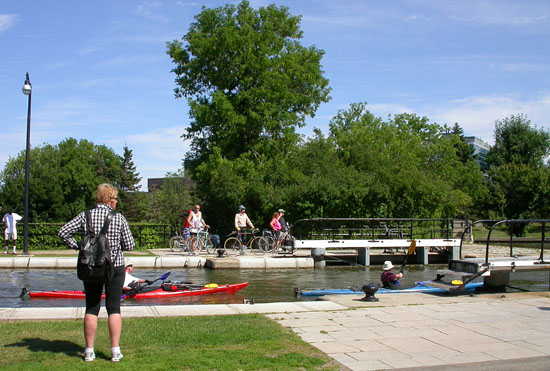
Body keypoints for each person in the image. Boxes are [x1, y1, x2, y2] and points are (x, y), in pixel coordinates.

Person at [58, 183, 135, 363]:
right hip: (114, 267)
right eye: (115, 199)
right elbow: (130, 245)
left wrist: (78, 246)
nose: (116, 202)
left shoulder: (86, 216)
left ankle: (89, 351)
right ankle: (115, 351)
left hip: (91, 266)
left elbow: (63, 232)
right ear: (108, 200)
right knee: (114, 308)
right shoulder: (119, 218)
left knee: (92, 307)